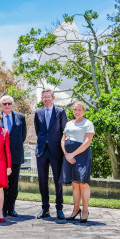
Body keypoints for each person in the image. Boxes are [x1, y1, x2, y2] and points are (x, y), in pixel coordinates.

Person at [34, 88, 68, 219]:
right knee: (42, 181)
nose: (46, 99)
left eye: (48, 96)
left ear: (53, 98)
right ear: (41, 99)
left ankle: (59, 208)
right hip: (42, 151)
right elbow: (38, 131)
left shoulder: (60, 112)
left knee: (57, 181)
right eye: (44, 97)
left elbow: (64, 132)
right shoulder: (38, 112)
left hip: (56, 151)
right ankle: (45, 208)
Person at [59, 101, 95, 223]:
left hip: (82, 156)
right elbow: (63, 140)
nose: (77, 112)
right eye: (75, 109)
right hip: (69, 156)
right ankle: (75, 210)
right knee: (75, 183)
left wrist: (73, 154)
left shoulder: (88, 123)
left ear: (84, 111)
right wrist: (67, 154)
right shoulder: (69, 123)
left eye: (79, 110)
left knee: (83, 183)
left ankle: (85, 211)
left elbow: (87, 142)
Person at [0, 95, 27, 217]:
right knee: (3, 183)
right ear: (1, 105)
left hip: (15, 155)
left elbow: (23, 136)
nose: (7, 106)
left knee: (14, 184)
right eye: (4, 104)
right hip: (0, 156)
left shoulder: (21, 117)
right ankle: (3, 208)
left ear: (13, 105)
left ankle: (11, 208)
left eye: (9, 103)